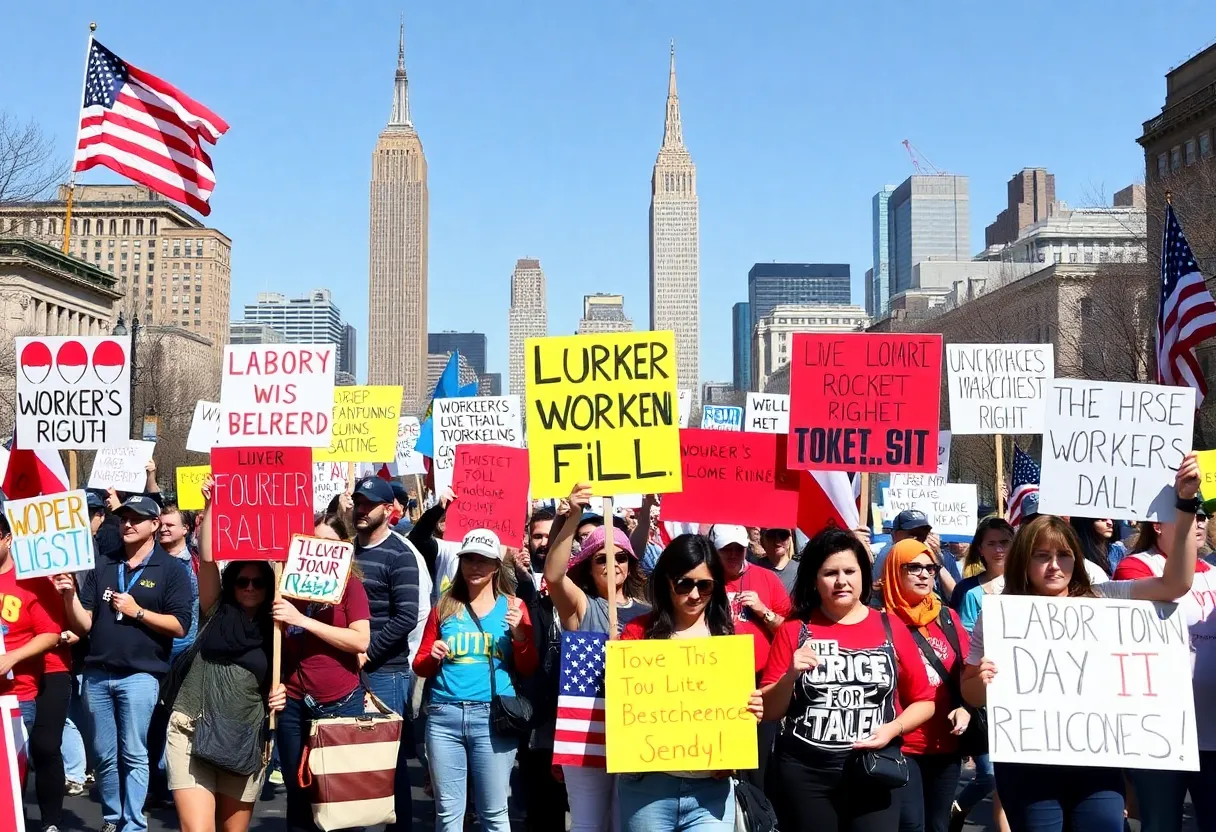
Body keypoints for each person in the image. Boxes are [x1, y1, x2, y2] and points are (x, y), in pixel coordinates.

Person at [962, 455, 1202, 832]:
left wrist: (1186, 507)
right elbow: (972, 694)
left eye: (1064, 555)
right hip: (1029, 765)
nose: (1055, 565)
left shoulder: (1103, 597)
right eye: (1042, 556)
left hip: (1096, 763)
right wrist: (982, 678)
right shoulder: (999, 614)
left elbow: (1176, 585)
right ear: (1024, 561)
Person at [761, 527, 935, 832]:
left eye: (849, 571)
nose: (841, 581)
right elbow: (771, 711)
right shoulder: (794, 630)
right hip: (806, 775)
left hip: (874, 770)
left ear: (863, 576)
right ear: (814, 579)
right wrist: (791, 673)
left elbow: (924, 701)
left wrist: (893, 729)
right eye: (830, 573)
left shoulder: (889, 626)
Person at [55, 494, 193, 832]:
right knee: (104, 754)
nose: (127, 524)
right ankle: (112, 818)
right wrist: (70, 596)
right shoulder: (105, 564)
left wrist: (139, 612)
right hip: (98, 673)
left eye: (136, 519)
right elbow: (84, 623)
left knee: (133, 751)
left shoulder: (172, 569)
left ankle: (133, 823)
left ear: (154, 525)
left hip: (141, 675)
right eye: (124, 518)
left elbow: (181, 625)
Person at [616, 534, 762, 830]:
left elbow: (738, 710)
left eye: (705, 585)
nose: (694, 595)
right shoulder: (638, 633)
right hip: (648, 789)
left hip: (711, 791)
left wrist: (752, 712)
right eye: (684, 584)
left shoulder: (729, 638)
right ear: (667, 581)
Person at [165, 476, 283, 832]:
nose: (249, 587)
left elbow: (283, 681)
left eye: (258, 582)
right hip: (191, 727)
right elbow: (208, 557)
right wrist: (211, 506)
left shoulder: (276, 630)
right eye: (241, 581)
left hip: (243, 736)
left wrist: (280, 695)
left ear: (269, 587)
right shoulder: (214, 610)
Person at [413, 528, 537, 832]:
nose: (475, 567)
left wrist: (520, 635)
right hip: (444, 717)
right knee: (448, 814)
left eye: (483, 560)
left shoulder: (513, 607)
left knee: (494, 814)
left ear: (496, 565)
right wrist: (433, 656)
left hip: (492, 718)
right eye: (469, 559)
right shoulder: (443, 607)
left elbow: (528, 666)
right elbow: (420, 665)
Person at [544, 485, 650, 832]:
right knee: (588, 825)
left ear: (630, 564)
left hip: (637, 737)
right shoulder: (582, 607)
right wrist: (572, 515)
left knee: (626, 825)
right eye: (602, 558)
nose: (613, 563)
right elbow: (553, 577)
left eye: (620, 556)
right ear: (589, 567)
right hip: (589, 732)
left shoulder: (650, 614)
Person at [1113, 485, 1216, 832]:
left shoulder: (1215, 571)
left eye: (1202, 515)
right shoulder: (1135, 568)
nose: (1199, 522)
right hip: (1159, 735)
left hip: (1212, 731)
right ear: (1157, 524)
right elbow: (1172, 588)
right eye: (1189, 514)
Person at [273, 515, 372, 832]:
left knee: (340, 797)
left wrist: (303, 621)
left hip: (339, 704)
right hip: (293, 703)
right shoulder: (286, 587)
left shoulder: (350, 588)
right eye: (314, 543)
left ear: (344, 549)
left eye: (329, 544)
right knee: (297, 792)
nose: (321, 551)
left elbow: (360, 640)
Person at [881, 539, 971, 832]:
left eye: (930, 567)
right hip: (902, 743)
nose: (924, 574)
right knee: (911, 825)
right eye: (913, 567)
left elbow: (966, 671)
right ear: (895, 571)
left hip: (946, 743)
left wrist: (966, 706)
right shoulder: (877, 621)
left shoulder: (947, 617)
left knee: (938, 825)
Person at [350, 476, 423, 831]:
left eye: (369, 504)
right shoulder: (345, 551)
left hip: (385, 673)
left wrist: (367, 653)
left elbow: (407, 616)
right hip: (345, 670)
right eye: (358, 503)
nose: (361, 510)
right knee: (349, 762)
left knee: (387, 763)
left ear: (388, 509)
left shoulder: (401, 554)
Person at [946, 515, 1013, 832]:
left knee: (1009, 778)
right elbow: (968, 647)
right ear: (980, 550)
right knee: (990, 773)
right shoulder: (970, 593)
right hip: (984, 696)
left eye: (1005, 541)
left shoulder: (1028, 583)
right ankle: (956, 808)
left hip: (1020, 695)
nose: (999, 548)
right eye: (992, 543)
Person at [713, 523, 790, 789]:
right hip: (717, 681)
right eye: (726, 550)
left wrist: (763, 610)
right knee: (723, 758)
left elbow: (789, 630)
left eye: (739, 549)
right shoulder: (703, 580)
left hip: (760, 682)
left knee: (758, 761)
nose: (734, 555)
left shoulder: (767, 579)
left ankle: (758, 813)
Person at [0, 513, 64, 832]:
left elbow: (50, 633)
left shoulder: (31, 582)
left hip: (15, 699)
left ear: (7, 539)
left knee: (11, 780)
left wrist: (12, 658)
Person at [148, 501, 200, 804]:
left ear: (185, 529)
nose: (164, 529)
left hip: (182, 654)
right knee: (152, 720)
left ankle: (175, 782)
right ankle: (154, 781)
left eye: (170, 524)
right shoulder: (148, 561)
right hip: (152, 652)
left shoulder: (190, 566)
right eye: (161, 524)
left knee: (176, 720)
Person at [751, 527, 798, 596]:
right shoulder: (753, 569)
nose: (777, 540)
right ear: (762, 541)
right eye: (771, 535)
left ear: (789, 540)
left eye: (783, 535)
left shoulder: (800, 571)